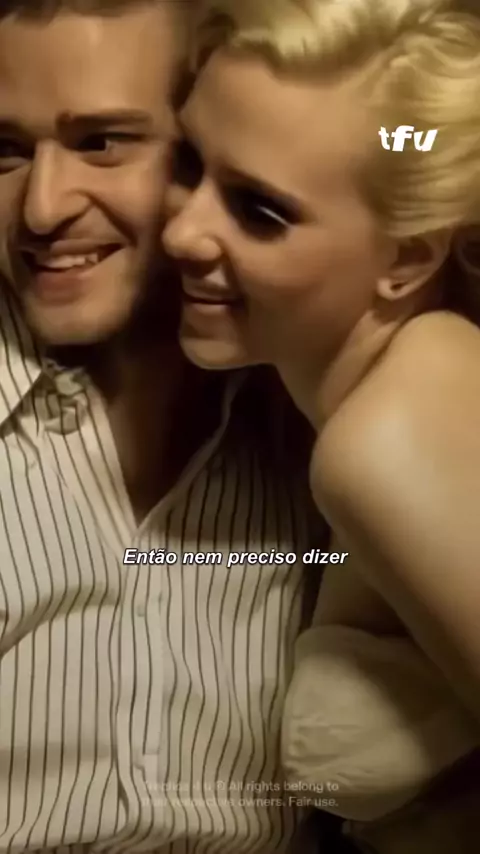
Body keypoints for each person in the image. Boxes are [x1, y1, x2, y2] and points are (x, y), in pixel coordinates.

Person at [0, 1, 327, 851]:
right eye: (5, 151)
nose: (40, 209)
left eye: (101, 142)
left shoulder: (313, 414)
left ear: (206, 158)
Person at [162, 0, 480, 846]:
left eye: (259, 210)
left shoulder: (388, 435)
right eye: (188, 163)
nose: (182, 231)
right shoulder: (375, 399)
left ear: (407, 258)